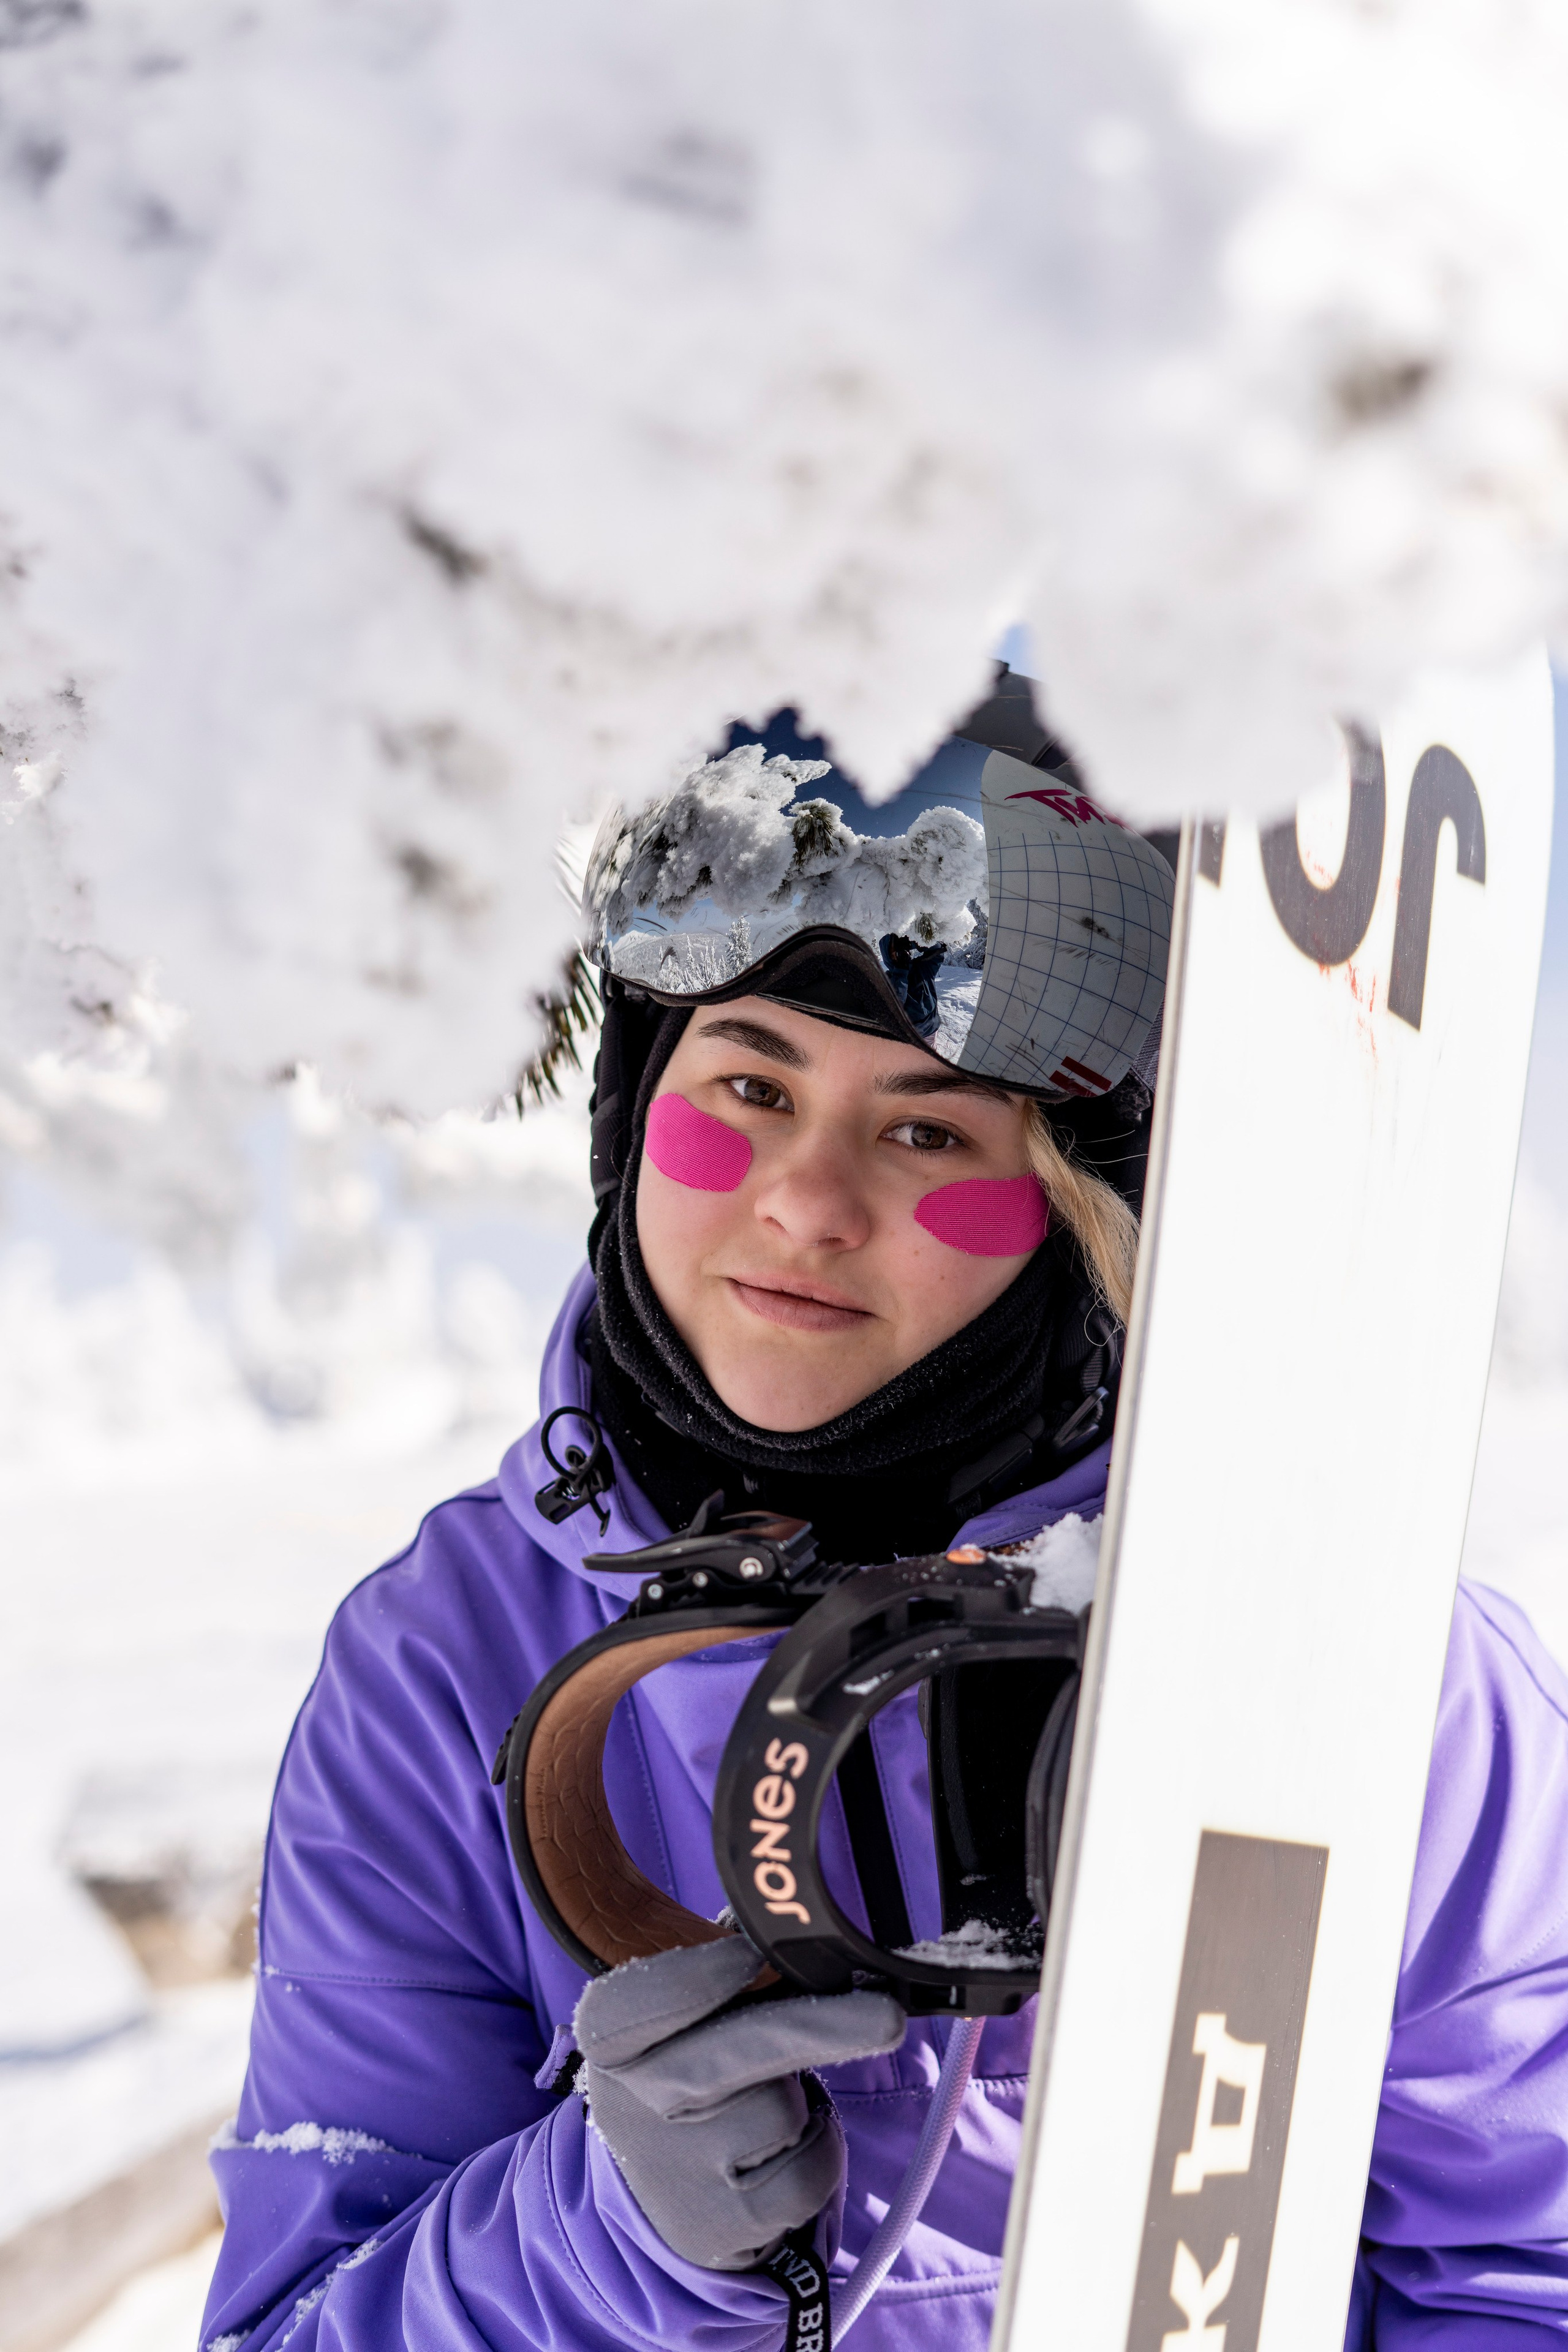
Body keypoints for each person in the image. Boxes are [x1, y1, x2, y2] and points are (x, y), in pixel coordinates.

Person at [203, 686, 1568, 2352]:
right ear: (631, 1109)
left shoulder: (1376, 1678)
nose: (807, 1202)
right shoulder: (444, 1665)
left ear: (1083, 1207)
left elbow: (1526, 2278)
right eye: (749, 1086)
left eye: (927, 1130)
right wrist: (596, 2243)